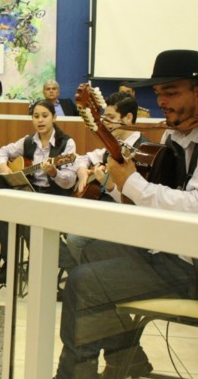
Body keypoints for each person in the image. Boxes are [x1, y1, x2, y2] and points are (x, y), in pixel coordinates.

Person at [55, 50, 198, 379]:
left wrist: (132, 182)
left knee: (83, 284)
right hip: (165, 251)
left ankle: (75, 375)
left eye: (172, 92)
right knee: (88, 250)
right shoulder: (174, 134)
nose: (162, 101)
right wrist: (117, 182)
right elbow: (152, 202)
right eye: (159, 93)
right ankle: (126, 359)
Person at [0, 99, 77, 284]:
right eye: (36, 116)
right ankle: (10, 264)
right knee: (3, 215)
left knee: (31, 223)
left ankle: (58, 263)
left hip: (55, 197)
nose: (40, 120)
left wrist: (54, 172)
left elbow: (69, 182)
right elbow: (2, 152)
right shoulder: (28, 141)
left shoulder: (67, 144)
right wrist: (4, 166)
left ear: (54, 117)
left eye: (45, 116)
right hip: (30, 193)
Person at [65, 92, 147, 266]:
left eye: (110, 118)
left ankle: (91, 276)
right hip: (102, 209)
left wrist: (110, 187)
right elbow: (84, 158)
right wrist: (82, 173)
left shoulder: (142, 152)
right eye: (104, 118)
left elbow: (137, 202)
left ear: (128, 118)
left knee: (74, 239)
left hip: (125, 218)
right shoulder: (113, 145)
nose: (105, 123)